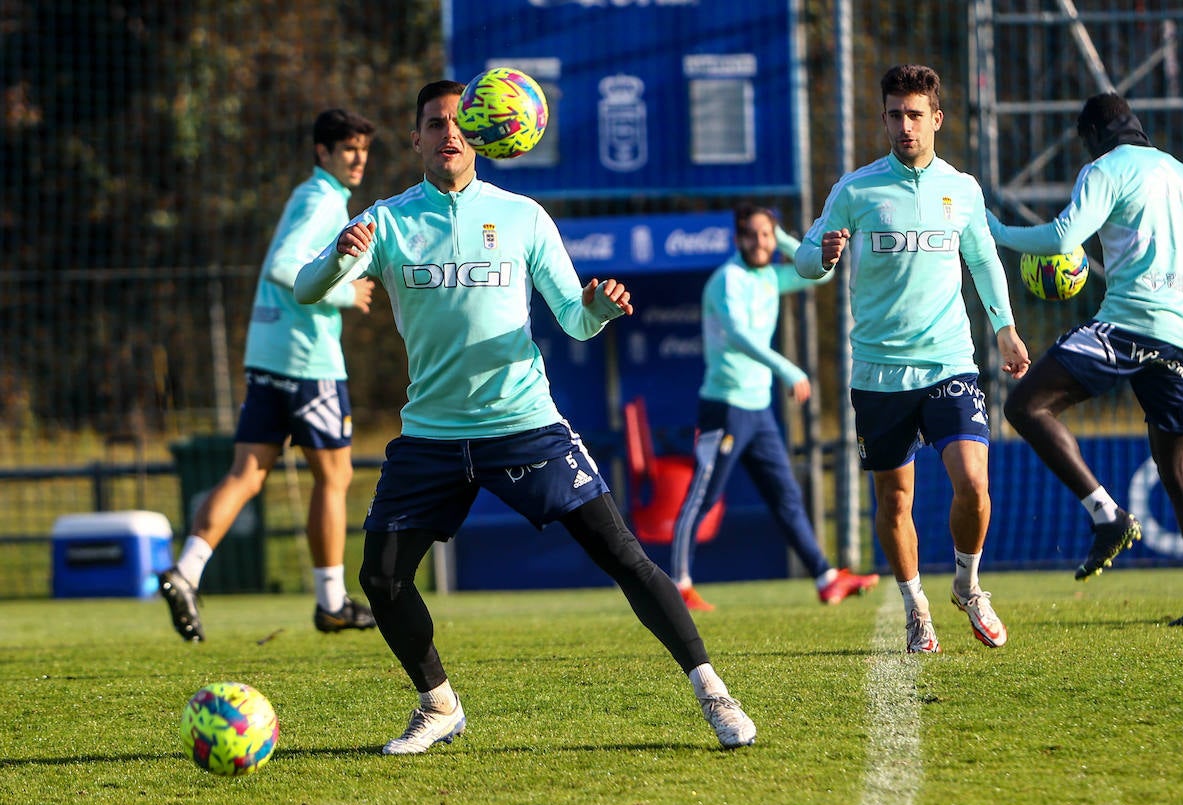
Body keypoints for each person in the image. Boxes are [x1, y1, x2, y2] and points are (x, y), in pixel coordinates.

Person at [293, 80, 756, 754]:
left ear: (481, 135)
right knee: (382, 578)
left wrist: (599, 307)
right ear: (416, 138)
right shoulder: (386, 222)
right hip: (433, 436)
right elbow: (307, 289)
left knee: (623, 556)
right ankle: (439, 705)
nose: (448, 134)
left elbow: (574, 317)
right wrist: (340, 254)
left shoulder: (523, 217)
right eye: (434, 124)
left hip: (524, 425)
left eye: (459, 122)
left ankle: (714, 693)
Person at [988, 92, 1183, 627]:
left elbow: (1063, 237)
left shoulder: (1104, 170)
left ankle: (1107, 516)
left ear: (1092, 135)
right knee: (1179, 471)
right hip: (1182, 338)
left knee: (1026, 407)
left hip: (1127, 328)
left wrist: (998, 231)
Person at [795, 64, 1030, 653]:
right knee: (895, 500)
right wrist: (822, 255)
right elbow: (804, 257)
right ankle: (915, 606)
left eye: (916, 115)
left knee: (973, 483)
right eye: (896, 115)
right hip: (878, 372)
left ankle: (968, 586)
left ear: (937, 119)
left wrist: (1005, 330)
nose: (906, 126)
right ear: (883, 119)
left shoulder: (962, 189)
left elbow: (984, 261)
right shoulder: (856, 189)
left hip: (949, 361)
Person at [158, 108, 379, 642]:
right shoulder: (322, 199)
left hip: (268, 354)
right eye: (348, 149)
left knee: (248, 473)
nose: (358, 159)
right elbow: (283, 265)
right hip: (307, 361)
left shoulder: (312, 196)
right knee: (334, 477)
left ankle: (186, 571)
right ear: (322, 152)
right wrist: (346, 293)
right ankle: (331, 602)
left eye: (363, 149)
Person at [671, 203, 877, 612]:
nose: (759, 242)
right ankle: (678, 585)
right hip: (725, 407)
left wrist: (781, 236)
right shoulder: (728, 279)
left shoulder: (769, 276)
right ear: (737, 239)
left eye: (766, 234)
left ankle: (825, 578)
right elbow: (739, 335)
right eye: (751, 235)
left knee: (786, 496)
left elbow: (822, 272)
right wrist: (788, 369)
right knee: (702, 498)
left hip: (759, 411)